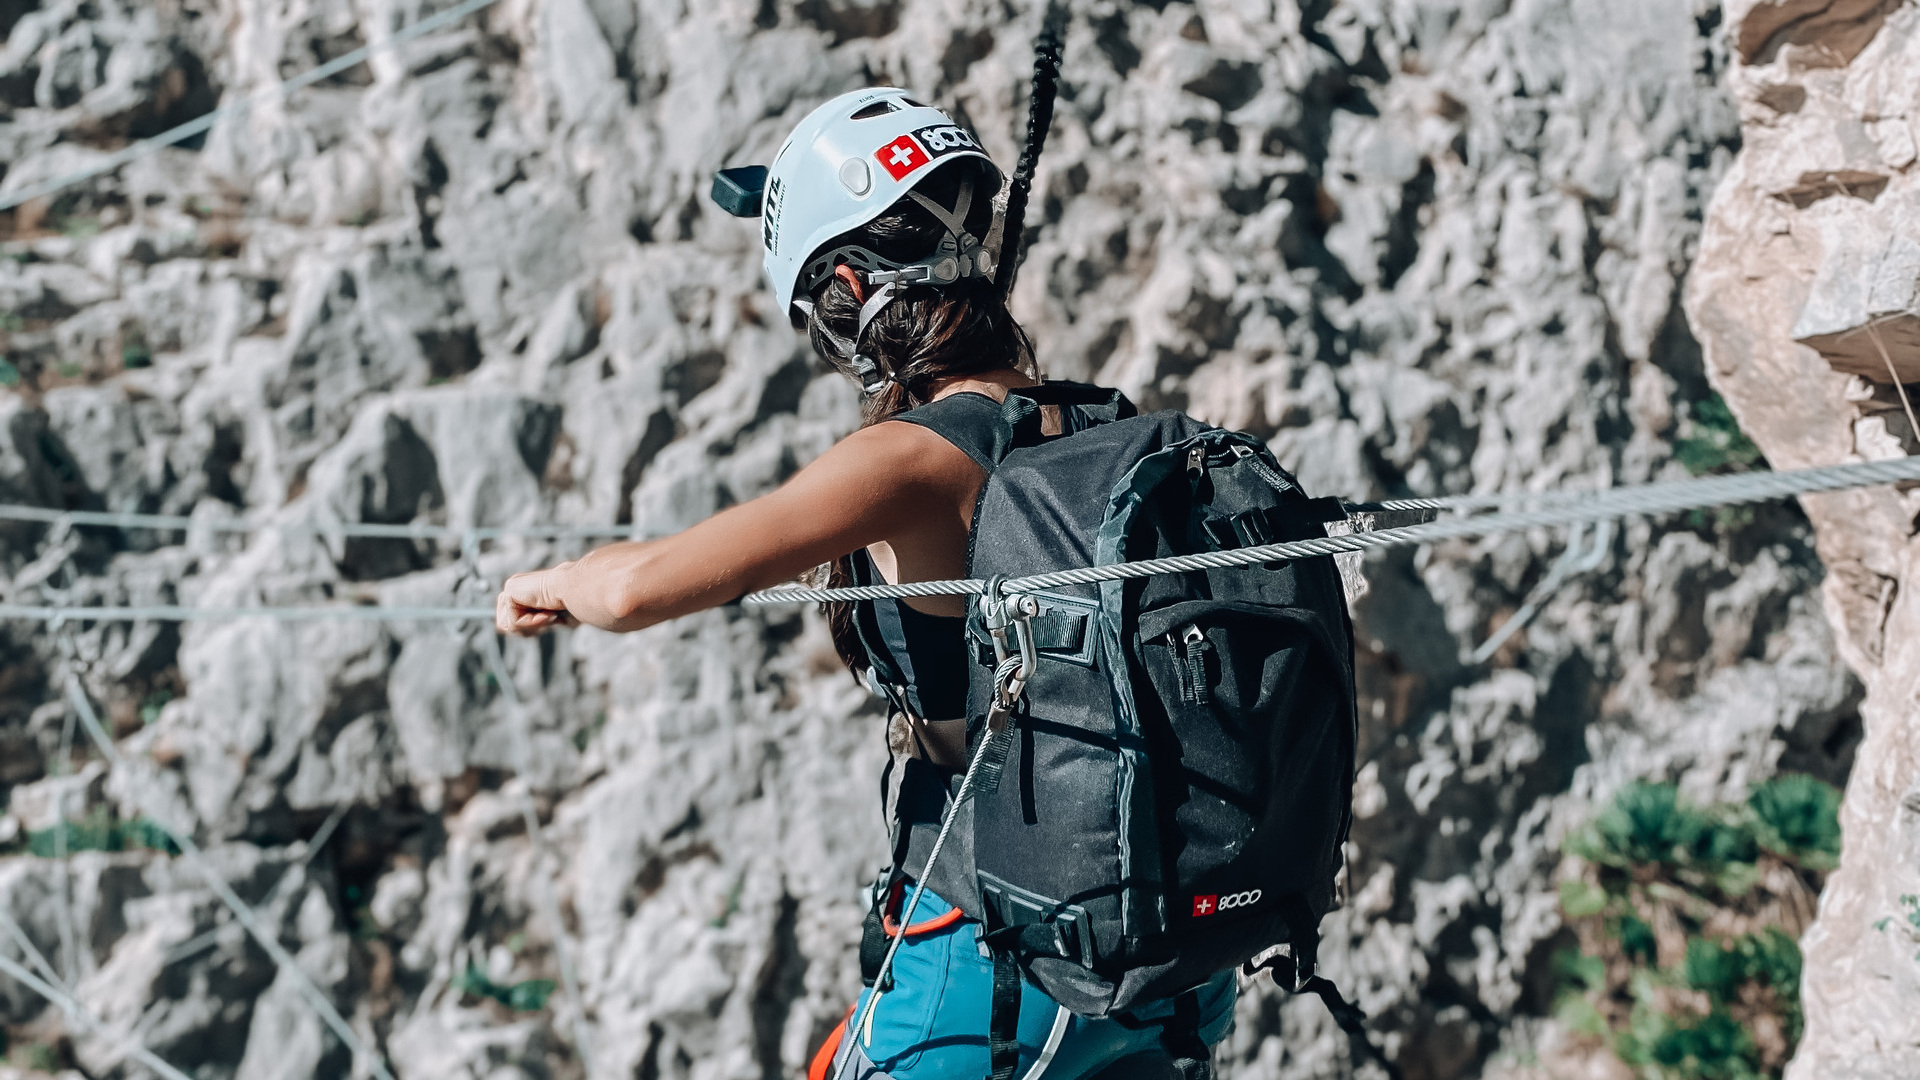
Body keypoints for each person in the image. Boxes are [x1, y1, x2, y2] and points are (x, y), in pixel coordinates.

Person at [496, 88, 1235, 1079]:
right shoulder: (1107, 426)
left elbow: (640, 589)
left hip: (994, 954)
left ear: (844, 287)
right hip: (1170, 954)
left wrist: (553, 580)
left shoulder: (912, 458)